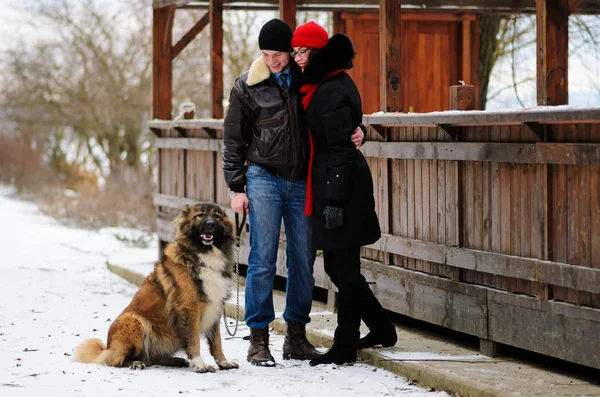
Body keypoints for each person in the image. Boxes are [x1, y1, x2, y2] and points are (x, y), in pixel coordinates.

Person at [222, 19, 363, 367]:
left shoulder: (308, 79)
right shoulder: (246, 86)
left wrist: (362, 130)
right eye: (266, 55)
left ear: (291, 51)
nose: (273, 61)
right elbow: (233, 140)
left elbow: (340, 110)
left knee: (302, 258)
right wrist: (236, 186)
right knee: (262, 260)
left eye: (279, 54)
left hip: (303, 181)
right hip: (262, 178)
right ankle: (258, 339)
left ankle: (296, 337)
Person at [291, 21, 398, 366]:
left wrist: (335, 202)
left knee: (345, 267)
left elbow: (339, 147)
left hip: (342, 185)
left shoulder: (332, 89)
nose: (298, 58)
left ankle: (345, 344)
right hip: (332, 181)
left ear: (319, 52)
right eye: (295, 51)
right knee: (339, 268)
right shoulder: (321, 83)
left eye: (304, 51)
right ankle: (381, 328)